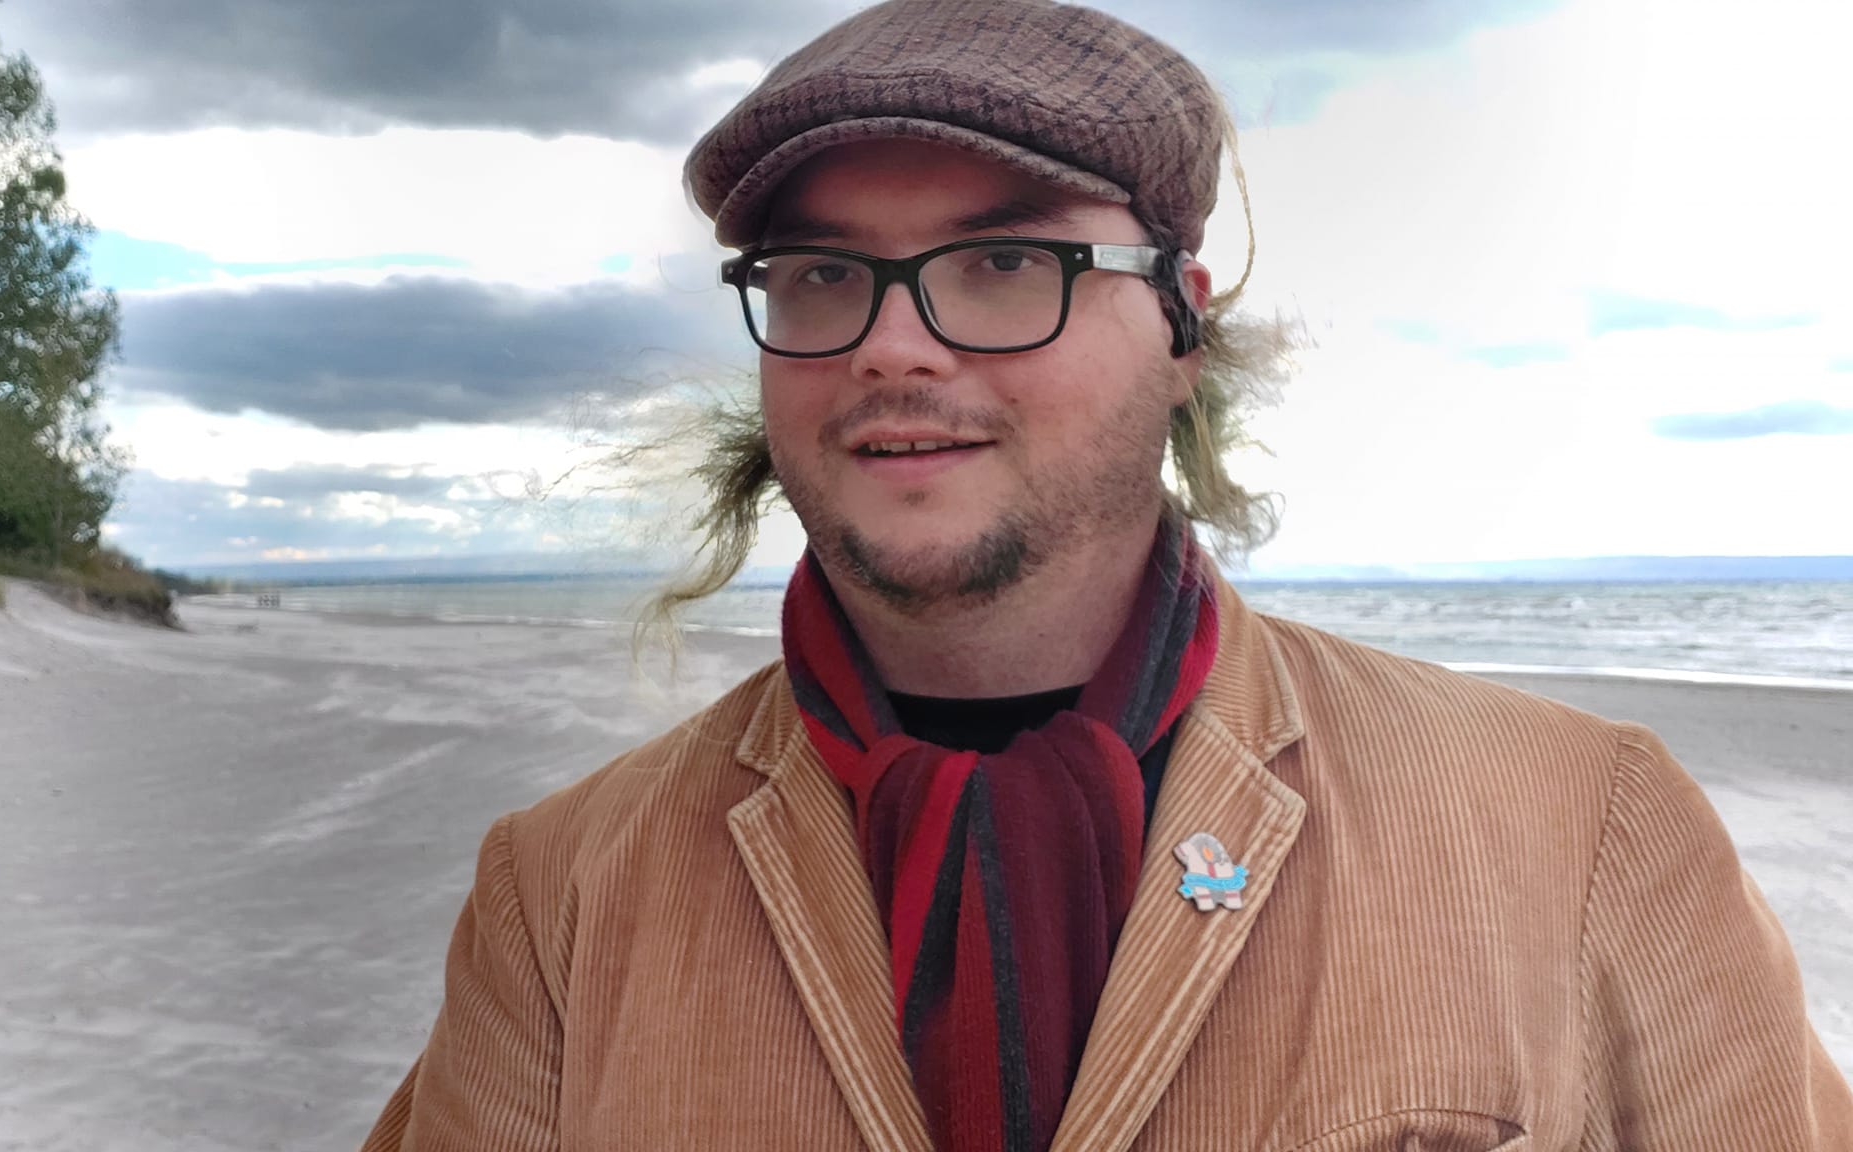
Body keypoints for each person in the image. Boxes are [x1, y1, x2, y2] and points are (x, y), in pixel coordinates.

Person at [361, 1, 1853, 1148]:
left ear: (1181, 322)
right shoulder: (563, 890)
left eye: (1006, 260)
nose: (893, 342)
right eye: (820, 274)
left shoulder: (1585, 824)